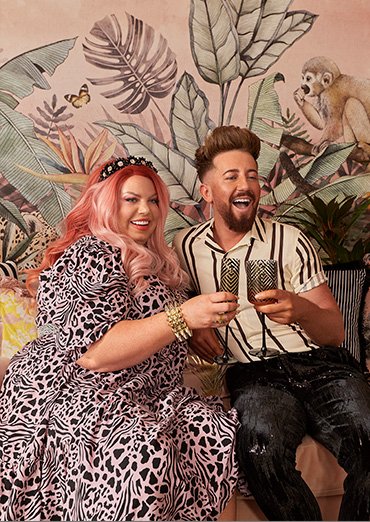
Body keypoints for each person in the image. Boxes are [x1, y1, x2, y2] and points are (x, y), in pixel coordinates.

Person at [0, 156, 241, 521]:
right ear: (107, 203)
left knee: (213, 436)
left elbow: (148, 321)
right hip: (80, 391)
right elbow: (96, 353)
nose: (146, 210)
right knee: (147, 452)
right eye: (131, 199)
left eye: (154, 200)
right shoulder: (92, 253)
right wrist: (183, 317)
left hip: (142, 393)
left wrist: (192, 326)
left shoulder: (156, 261)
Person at [173, 125, 370, 521]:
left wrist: (300, 309)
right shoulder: (185, 248)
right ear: (207, 191)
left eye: (251, 175)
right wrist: (192, 328)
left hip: (322, 365)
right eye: (231, 176)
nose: (245, 184)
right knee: (259, 450)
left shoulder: (291, 240)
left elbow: (334, 331)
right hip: (255, 375)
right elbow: (172, 308)